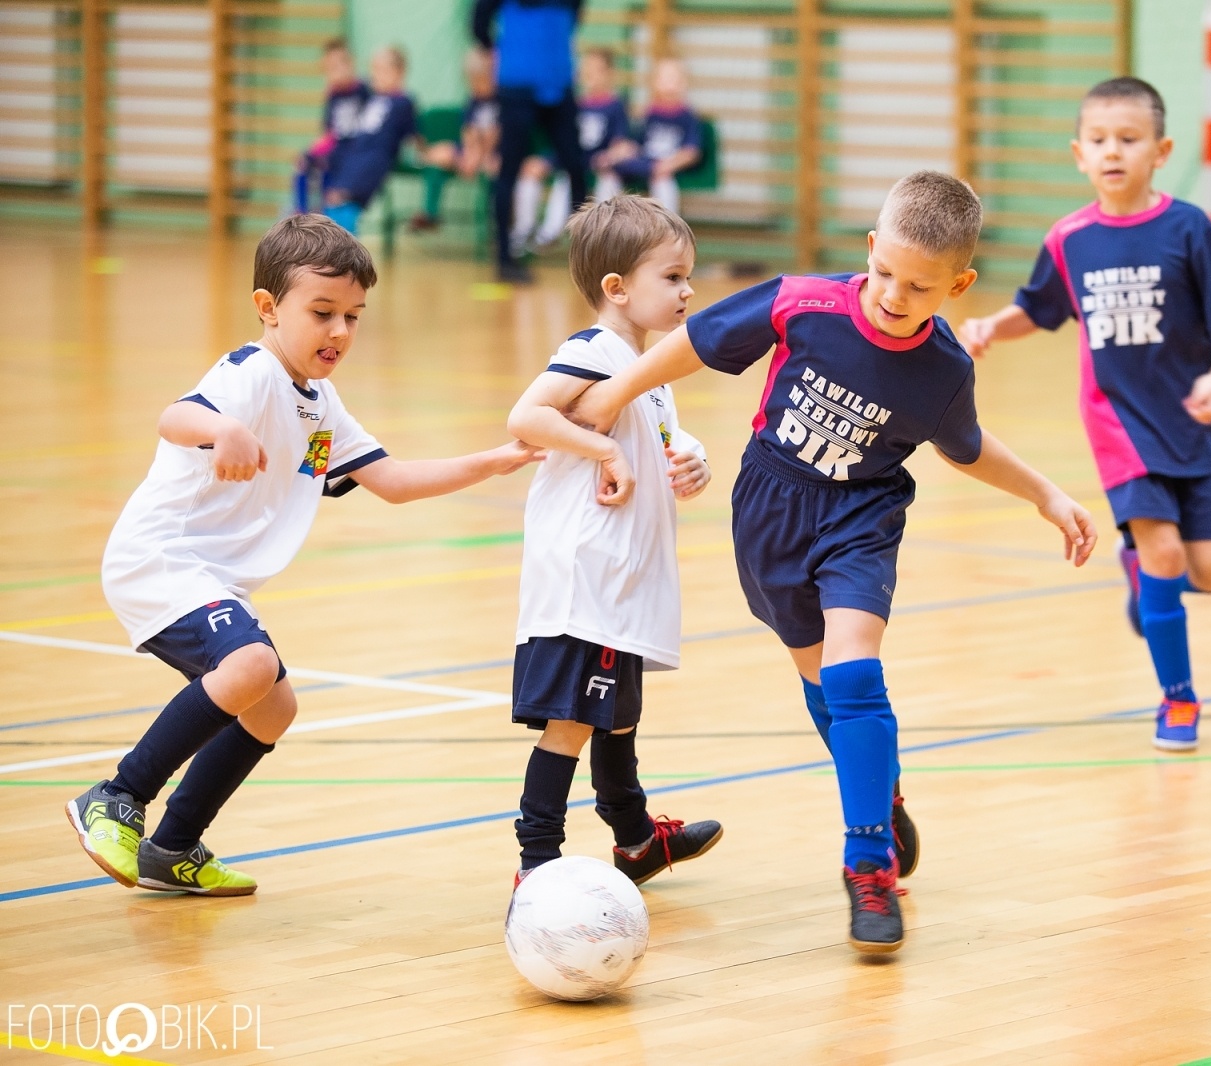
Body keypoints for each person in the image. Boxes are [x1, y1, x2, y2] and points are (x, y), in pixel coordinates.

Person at [569, 171, 1097, 955]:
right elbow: (700, 341)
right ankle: (881, 791)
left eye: (920, 287)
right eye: (885, 273)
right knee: (823, 685)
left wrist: (1046, 494)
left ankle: (867, 862)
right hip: (771, 510)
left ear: (959, 286)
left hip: (861, 518)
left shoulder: (944, 369)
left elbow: (965, 446)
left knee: (854, 677)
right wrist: (615, 393)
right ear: (871, 247)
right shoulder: (804, 302)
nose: (894, 296)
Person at [68, 215, 539, 896]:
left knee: (272, 707)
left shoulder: (321, 405)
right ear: (268, 307)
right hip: (162, 559)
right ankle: (116, 797)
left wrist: (495, 460)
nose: (340, 331)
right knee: (251, 665)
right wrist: (224, 429)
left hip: (209, 577)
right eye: (322, 313)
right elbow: (175, 418)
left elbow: (394, 481)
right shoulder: (252, 371)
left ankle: (172, 847)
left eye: (353, 316)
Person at [958, 77, 1211, 753]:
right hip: (1118, 422)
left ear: (1161, 151)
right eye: (1098, 140)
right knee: (1165, 550)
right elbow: (1038, 308)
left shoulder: (1189, 229)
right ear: (1079, 154)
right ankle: (1178, 699)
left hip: (1192, 422)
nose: (1112, 151)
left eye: (1129, 138)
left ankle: (1141, 573)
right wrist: (991, 327)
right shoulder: (1071, 238)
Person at [503, 195, 721, 887]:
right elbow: (527, 417)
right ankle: (537, 861)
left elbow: (662, 439)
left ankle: (636, 839)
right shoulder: (593, 351)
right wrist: (605, 452)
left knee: (618, 716)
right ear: (618, 288)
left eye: (688, 276)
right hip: (587, 576)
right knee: (571, 722)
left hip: (624, 579)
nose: (687, 290)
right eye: (672, 277)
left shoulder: (641, 370)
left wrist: (692, 459)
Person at [473, 0, 588, 284]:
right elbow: (479, 22)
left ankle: (588, 253)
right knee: (509, 171)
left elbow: (576, 13)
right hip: (518, 85)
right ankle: (504, 258)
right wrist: (500, 48)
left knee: (576, 166)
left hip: (557, 81)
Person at [514, 46, 631, 252]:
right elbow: (562, 141)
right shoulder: (575, 105)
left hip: (597, 163)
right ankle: (530, 232)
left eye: (596, 69)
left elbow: (620, 143)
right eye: (586, 69)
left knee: (601, 182)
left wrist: (611, 156)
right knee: (536, 172)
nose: (590, 74)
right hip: (571, 158)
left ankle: (599, 240)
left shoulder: (615, 106)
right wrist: (545, 161)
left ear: (609, 74)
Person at [408, 49, 511, 233]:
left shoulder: (504, 101)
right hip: (470, 151)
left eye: (481, 81)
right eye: (472, 82)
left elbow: (497, 134)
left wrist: (480, 156)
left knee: (496, 168)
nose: (477, 87)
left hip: (495, 152)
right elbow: (468, 131)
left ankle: (499, 219)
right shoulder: (473, 101)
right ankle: (430, 212)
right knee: (439, 155)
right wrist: (469, 154)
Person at [321, 46, 418, 234]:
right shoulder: (371, 97)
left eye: (382, 70)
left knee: (345, 198)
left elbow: (413, 136)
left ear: (399, 72)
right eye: (374, 70)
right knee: (332, 196)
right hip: (356, 154)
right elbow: (349, 88)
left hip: (375, 159)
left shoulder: (404, 102)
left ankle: (344, 244)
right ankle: (329, 240)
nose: (375, 76)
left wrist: (426, 154)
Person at [595, 57, 701, 216]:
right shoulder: (649, 113)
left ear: (683, 83)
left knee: (663, 182)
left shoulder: (687, 116)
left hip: (663, 168)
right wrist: (612, 156)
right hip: (643, 163)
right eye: (664, 78)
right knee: (609, 175)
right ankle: (601, 222)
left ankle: (667, 225)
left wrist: (668, 165)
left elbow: (691, 152)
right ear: (654, 82)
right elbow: (634, 144)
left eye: (674, 78)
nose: (669, 83)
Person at [292, 38, 368, 215]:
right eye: (328, 70)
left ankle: (326, 213)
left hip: (354, 148)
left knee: (328, 167)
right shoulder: (333, 95)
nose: (333, 74)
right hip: (336, 146)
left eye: (336, 67)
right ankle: (301, 213)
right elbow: (329, 131)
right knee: (304, 163)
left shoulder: (363, 90)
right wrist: (314, 149)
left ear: (350, 65)